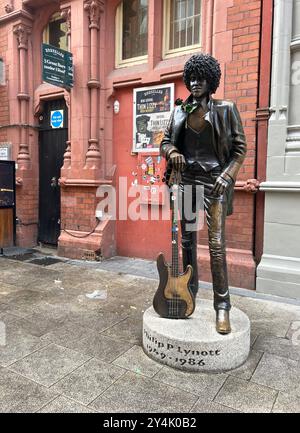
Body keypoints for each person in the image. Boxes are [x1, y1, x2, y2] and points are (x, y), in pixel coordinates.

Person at [160, 53, 247, 334]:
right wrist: (172, 151)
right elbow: (165, 142)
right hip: (186, 181)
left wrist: (226, 175)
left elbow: (239, 149)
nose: (195, 82)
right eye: (192, 78)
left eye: (201, 78)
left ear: (211, 81)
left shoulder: (226, 109)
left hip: (214, 182)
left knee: (216, 245)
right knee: (186, 241)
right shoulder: (179, 111)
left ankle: (222, 307)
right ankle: (189, 292)